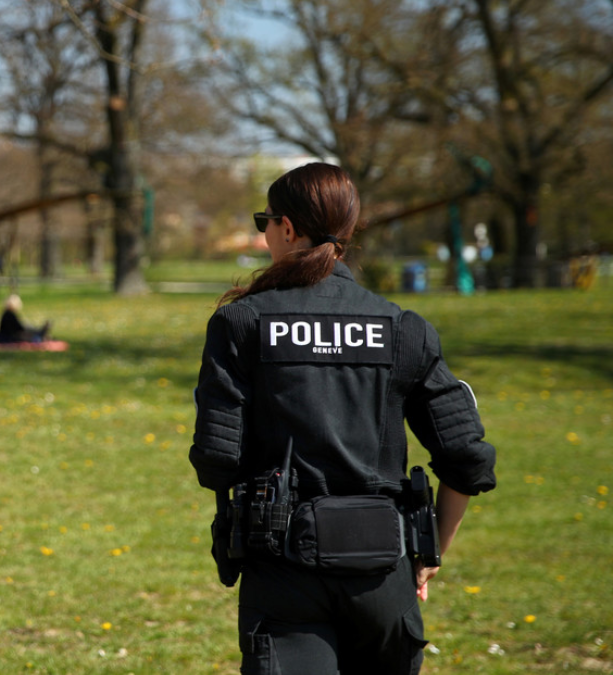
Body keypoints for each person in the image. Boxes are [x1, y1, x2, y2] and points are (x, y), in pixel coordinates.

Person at [189, 163, 496, 674]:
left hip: (282, 570)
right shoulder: (403, 328)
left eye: (264, 221)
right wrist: (430, 552)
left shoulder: (241, 323)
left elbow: (217, 459)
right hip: (383, 571)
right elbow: (465, 455)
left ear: (287, 228)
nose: (264, 232)